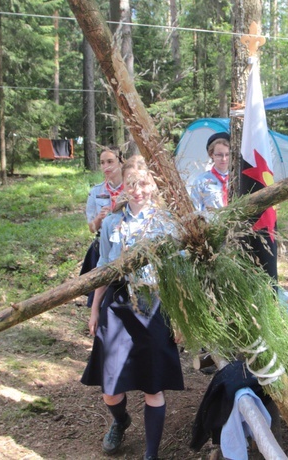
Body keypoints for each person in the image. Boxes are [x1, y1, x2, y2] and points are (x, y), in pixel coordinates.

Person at [81, 156, 184, 460]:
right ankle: (120, 421)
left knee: (153, 386)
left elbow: (177, 274)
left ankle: (151, 453)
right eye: (131, 184)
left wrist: (179, 317)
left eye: (143, 183)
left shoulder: (165, 223)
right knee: (111, 389)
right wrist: (95, 308)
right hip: (119, 305)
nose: (137, 190)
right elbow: (102, 267)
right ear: (123, 187)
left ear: (152, 185)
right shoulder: (112, 222)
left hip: (155, 306)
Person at [80, 146, 123, 307]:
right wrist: (99, 218)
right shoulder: (96, 191)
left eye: (110, 161)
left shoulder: (132, 189)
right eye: (102, 163)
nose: (106, 167)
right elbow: (91, 228)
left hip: (125, 247)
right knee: (100, 293)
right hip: (103, 247)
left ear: (120, 162)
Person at [189, 132, 230, 212]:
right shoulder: (201, 181)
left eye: (227, 154)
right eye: (219, 155)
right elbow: (195, 209)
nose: (224, 159)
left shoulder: (237, 179)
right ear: (211, 154)